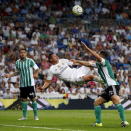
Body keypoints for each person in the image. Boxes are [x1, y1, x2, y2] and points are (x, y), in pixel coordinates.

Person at [73, 41, 129, 127]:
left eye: (99, 54)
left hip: (112, 85)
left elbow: (96, 57)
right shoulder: (98, 64)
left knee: (115, 99)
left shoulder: (105, 62)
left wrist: (87, 49)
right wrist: (77, 61)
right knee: (97, 102)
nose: (98, 56)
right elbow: (88, 63)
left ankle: (124, 121)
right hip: (108, 87)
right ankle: (99, 123)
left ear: (102, 56)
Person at [4, 48, 39, 120]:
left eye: (24, 52)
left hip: (30, 83)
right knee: (23, 100)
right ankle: (24, 116)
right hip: (22, 84)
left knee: (33, 99)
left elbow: (37, 68)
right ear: (19, 54)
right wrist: (9, 75)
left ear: (26, 53)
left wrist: (35, 74)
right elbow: (18, 72)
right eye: (21, 52)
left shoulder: (30, 61)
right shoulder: (17, 62)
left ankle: (36, 116)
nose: (22, 54)